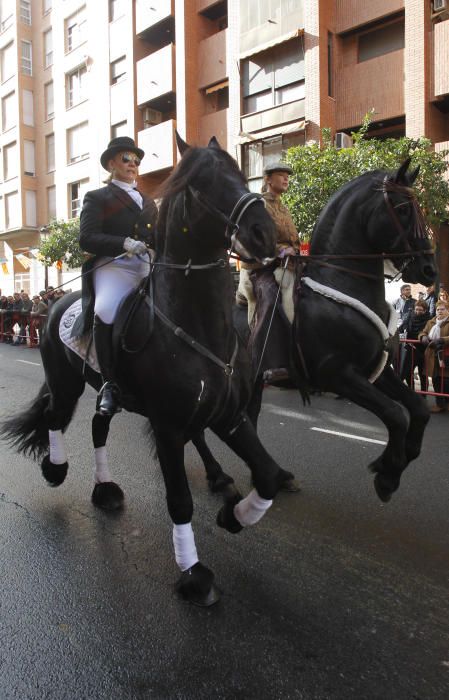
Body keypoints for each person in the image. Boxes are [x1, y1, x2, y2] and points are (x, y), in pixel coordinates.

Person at [78, 135, 158, 416]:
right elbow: (87, 238)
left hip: (146, 265)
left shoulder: (149, 202)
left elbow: (157, 237)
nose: (133, 164)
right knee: (106, 308)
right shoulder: (98, 197)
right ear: (111, 163)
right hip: (114, 265)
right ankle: (109, 384)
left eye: (136, 160)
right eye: (126, 158)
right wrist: (123, 242)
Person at [237, 161, 300, 382]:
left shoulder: (284, 207)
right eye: (281, 175)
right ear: (267, 179)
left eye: (287, 176)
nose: (286, 179)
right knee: (271, 298)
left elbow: (294, 240)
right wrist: (281, 250)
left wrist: (297, 250)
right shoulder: (259, 205)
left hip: (286, 265)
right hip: (259, 268)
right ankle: (258, 359)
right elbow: (253, 240)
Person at [419, 300, 449, 413]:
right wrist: (423, 337)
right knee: (436, 380)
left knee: (446, 381)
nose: (440, 311)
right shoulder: (431, 322)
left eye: (442, 309)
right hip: (432, 355)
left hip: (446, 355)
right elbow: (423, 332)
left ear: (448, 310)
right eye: (438, 309)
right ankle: (440, 404)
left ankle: (447, 402)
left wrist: (443, 340)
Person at [398, 299, 430, 389]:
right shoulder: (410, 316)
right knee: (408, 372)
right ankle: (411, 391)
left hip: (423, 350)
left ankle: (423, 395)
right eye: (416, 309)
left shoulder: (429, 319)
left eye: (420, 310)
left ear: (425, 310)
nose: (417, 312)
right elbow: (402, 326)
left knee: (422, 374)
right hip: (411, 349)